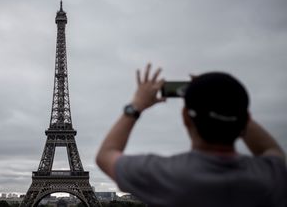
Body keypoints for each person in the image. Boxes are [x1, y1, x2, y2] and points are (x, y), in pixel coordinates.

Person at [96, 63, 287, 207]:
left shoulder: (164, 174)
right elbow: (270, 149)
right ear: (245, 120)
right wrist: (227, 101)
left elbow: (106, 155)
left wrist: (136, 105)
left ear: (185, 117)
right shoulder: (270, 176)